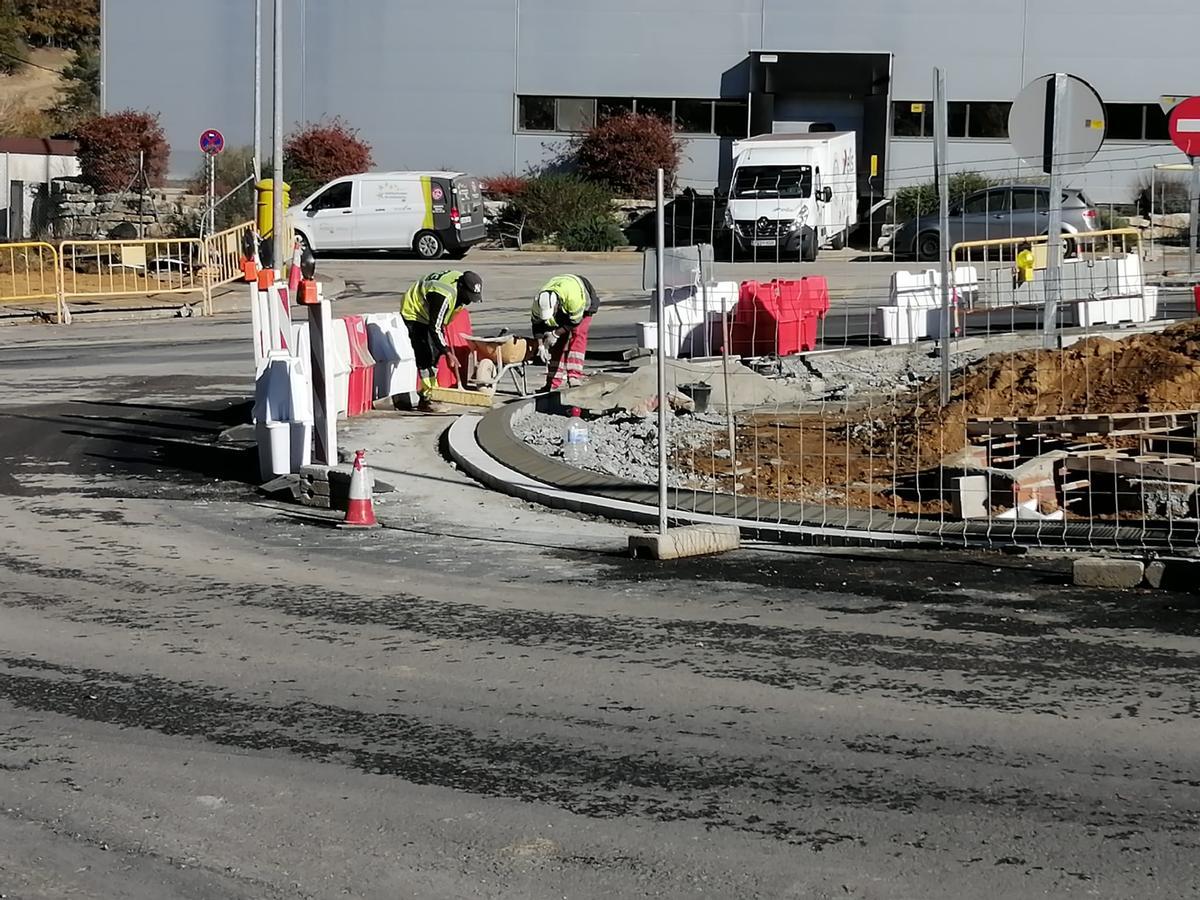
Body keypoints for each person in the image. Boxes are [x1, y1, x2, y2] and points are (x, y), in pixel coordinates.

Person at [400, 270, 483, 411]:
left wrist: (443, 349)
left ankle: (432, 393)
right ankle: (428, 399)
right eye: (468, 296)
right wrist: (448, 352)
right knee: (425, 354)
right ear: (461, 287)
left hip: (431, 313)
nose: (468, 301)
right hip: (415, 311)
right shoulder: (443, 295)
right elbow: (435, 327)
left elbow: (440, 322)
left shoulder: (459, 285)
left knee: (436, 352)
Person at [531, 274, 600, 391]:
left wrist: (555, 334)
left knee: (578, 334)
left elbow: (575, 321)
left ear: (556, 305)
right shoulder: (538, 303)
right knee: (557, 342)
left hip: (583, 300)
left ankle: (574, 376)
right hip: (564, 300)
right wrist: (541, 346)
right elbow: (537, 325)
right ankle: (552, 382)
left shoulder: (574, 300)